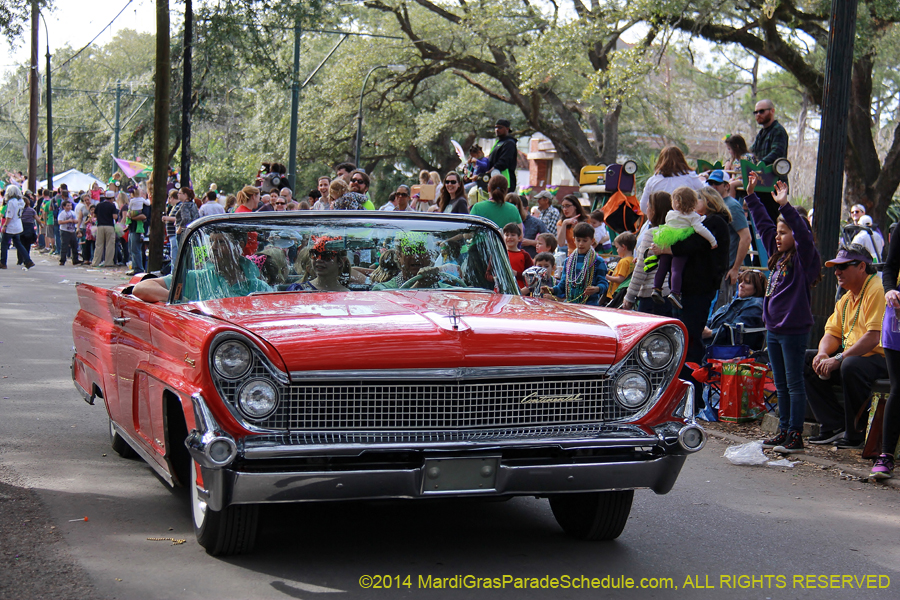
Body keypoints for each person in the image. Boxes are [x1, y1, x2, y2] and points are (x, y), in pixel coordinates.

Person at [745, 173, 822, 452]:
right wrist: (751, 196)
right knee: (780, 383)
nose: (777, 237)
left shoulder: (804, 259)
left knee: (793, 383)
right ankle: (784, 429)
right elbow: (763, 225)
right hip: (774, 330)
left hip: (793, 330)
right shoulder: (776, 256)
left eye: (783, 233)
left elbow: (803, 235)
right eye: (778, 233)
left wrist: (786, 206)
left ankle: (795, 434)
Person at [651, 185, 732, 406]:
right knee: (682, 336)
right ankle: (682, 392)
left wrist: (666, 250)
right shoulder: (700, 221)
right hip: (688, 288)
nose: (694, 205)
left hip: (698, 289)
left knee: (691, 338)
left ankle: (692, 395)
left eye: (698, 200)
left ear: (708, 201)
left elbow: (692, 244)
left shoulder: (715, 222)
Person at [805, 244, 887, 449]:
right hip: (857, 357)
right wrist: (823, 354)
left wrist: (839, 358)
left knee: (850, 365)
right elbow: (832, 333)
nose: (837, 272)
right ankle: (833, 425)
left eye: (843, 266)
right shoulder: (846, 297)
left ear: (862, 267)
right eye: (835, 267)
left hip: (885, 358)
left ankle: (856, 433)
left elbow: (874, 337)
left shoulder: (876, 289)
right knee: (806, 360)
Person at [133, 231, 273, 302]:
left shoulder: (258, 287)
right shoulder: (197, 279)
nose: (213, 248)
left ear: (239, 246)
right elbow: (141, 288)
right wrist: (183, 301)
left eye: (221, 242)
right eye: (211, 241)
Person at [650, 186, 718, 309]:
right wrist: (713, 241)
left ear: (676, 202)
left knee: (663, 267)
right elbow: (701, 229)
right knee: (676, 269)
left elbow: (668, 225)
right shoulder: (693, 217)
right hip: (680, 242)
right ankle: (675, 292)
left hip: (666, 240)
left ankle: (656, 288)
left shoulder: (670, 214)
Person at [871, 225, 900, 479]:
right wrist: (890, 289)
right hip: (897, 318)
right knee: (898, 388)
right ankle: (886, 455)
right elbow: (890, 267)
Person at [706, 172, 752, 310]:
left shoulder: (732, 206)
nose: (713, 186)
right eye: (710, 183)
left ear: (726, 186)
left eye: (717, 183)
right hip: (716, 268)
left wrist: (735, 268)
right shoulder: (716, 205)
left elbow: (746, 237)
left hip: (726, 269)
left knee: (720, 311)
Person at [543, 222, 608, 305]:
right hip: (570, 304)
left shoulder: (598, 261)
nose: (581, 244)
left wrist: (597, 288)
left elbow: (604, 284)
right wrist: (551, 290)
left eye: (585, 241)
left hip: (589, 305)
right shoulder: (568, 261)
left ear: (592, 241)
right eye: (578, 240)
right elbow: (563, 286)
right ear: (574, 240)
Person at [639, 146, 705, 227]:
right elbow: (705, 195)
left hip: (659, 225)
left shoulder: (653, 181)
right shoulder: (691, 177)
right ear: (682, 159)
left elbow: (643, 207)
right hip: (685, 224)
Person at [749, 99, 790, 222]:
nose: (758, 115)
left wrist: (759, 164)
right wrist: (737, 159)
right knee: (761, 222)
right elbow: (751, 152)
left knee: (773, 221)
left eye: (761, 111)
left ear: (772, 111)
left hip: (774, 184)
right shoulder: (761, 133)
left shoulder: (778, 131)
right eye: (755, 112)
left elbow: (777, 153)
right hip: (761, 184)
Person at [702, 270, 766, 345]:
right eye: (741, 281)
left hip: (727, 347)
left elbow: (737, 330)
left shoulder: (755, 304)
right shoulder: (735, 302)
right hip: (712, 343)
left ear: (757, 287)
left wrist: (711, 333)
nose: (741, 285)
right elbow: (712, 319)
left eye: (747, 282)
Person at [0, 185, 34, 269]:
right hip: (18, 225)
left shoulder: (11, 202)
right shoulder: (21, 201)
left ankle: (3, 262)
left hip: (10, 226)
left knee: (4, 244)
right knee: (18, 244)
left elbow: (9, 216)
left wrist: (5, 225)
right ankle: (28, 260)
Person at [486, 119, 518, 193]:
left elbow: (505, 161)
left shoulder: (509, 143)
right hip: (494, 179)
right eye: (495, 127)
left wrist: (493, 169)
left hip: (505, 181)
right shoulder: (498, 143)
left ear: (507, 129)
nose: (497, 130)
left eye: (500, 127)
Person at [503, 222, 533, 292]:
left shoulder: (525, 255)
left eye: (513, 235)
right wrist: (496, 277)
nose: (509, 237)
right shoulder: (499, 254)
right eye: (507, 235)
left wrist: (516, 274)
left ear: (519, 238)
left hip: (519, 292)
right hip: (501, 291)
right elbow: (488, 275)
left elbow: (531, 276)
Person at [92, 191, 119, 267]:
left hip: (100, 226)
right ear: (112, 198)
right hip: (109, 226)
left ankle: (95, 262)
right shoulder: (112, 205)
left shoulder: (99, 205)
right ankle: (108, 262)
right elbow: (114, 217)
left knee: (99, 245)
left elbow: (94, 215)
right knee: (110, 245)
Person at [606, 232, 635, 301]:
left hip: (617, 293)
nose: (617, 250)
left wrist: (607, 277)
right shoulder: (632, 260)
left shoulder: (623, 261)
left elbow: (620, 279)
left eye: (617, 248)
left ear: (623, 247)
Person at [57, 200, 81, 266]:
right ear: (64, 207)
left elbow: (77, 220)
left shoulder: (73, 213)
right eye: (67, 206)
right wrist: (68, 221)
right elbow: (60, 222)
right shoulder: (62, 213)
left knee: (74, 246)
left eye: (70, 205)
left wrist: (75, 221)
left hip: (72, 231)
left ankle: (75, 260)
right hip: (65, 231)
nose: (69, 207)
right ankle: (62, 260)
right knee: (64, 246)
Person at [162, 189, 180, 260]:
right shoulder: (174, 206)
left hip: (174, 234)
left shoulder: (179, 206)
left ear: (172, 198)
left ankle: (174, 267)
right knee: (173, 255)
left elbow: (178, 218)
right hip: (171, 234)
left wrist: (167, 218)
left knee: (174, 256)